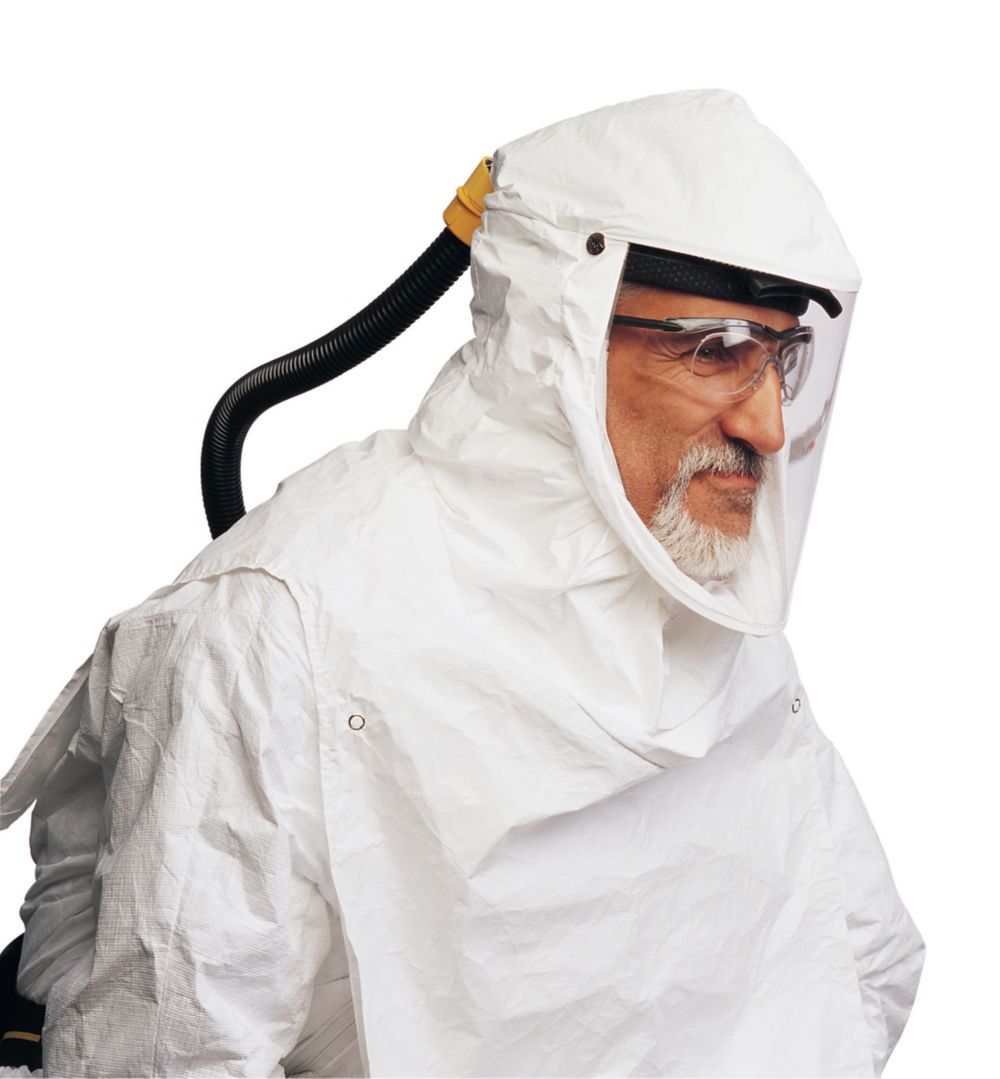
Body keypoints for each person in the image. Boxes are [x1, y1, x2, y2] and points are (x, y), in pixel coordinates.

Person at [0, 90, 924, 1077]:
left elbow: (856, 963)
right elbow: (173, 1052)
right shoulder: (278, 627)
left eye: (782, 357)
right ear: (559, 339)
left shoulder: (698, 598)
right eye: (715, 351)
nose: (769, 427)